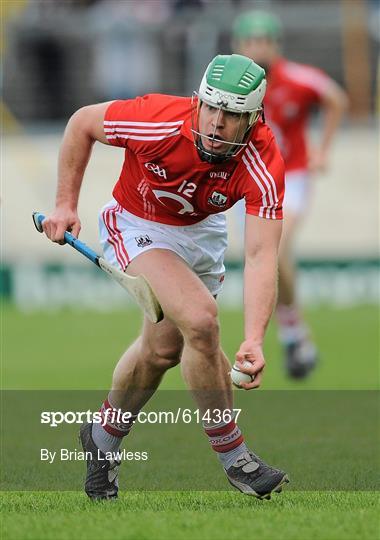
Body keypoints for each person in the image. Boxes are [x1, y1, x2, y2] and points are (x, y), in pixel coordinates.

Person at [42, 53, 289, 500]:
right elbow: (82, 123)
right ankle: (236, 459)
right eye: (211, 108)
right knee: (202, 320)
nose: (216, 123)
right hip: (137, 224)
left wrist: (254, 337)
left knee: (161, 352)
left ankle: (101, 438)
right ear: (197, 102)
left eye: (231, 114)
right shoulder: (155, 119)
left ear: (253, 119)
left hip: (203, 233)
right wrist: (65, 204)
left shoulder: (263, 160)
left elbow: (259, 255)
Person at [232, 11, 348, 378]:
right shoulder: (232, 84)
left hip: (290, 177)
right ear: (238, 45)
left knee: (277, 250)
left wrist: (323, 148)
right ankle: (294, 333)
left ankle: (293, 332)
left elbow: (336, 99)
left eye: (264, 40)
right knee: (264, 258)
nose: (257, 47)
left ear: (276, 44)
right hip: (248, 181)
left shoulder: (296, 78)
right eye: (250, 40)